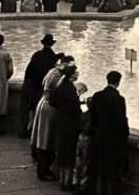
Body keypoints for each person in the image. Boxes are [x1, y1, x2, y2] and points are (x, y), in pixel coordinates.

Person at [89, 71, 130, 195]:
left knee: (101, 171)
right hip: (114, 141)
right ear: (118, 82)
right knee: (114, 173)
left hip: (100, 138)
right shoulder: (119, 99)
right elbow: (122, 122)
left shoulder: (97, 96)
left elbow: (92, 118)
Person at [18, 34, 59, 138]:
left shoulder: (36, 54)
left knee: (25, 109)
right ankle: (36, 134)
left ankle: (22, 131)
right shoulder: (53, 58)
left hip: (28, 84)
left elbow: (28, 71)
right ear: (52, 44)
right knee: (38, 111)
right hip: (39, 87)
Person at [54, 63, 84, 191]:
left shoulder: (61, 86)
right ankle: (67, 181)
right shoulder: (72, 90)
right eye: (76, 72)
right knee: (70, 153)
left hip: (61, 122)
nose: (78, 74)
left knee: (62, 151)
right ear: (72, 74)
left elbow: (54, 102)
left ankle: (62, 179)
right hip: (70, 125)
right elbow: (75, 110)